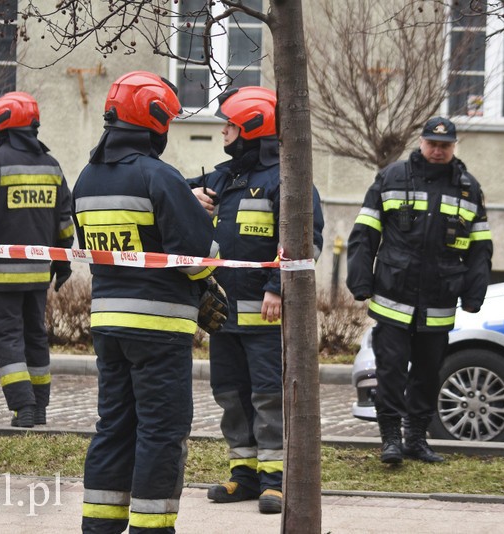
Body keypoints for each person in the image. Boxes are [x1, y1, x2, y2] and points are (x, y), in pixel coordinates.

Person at [73, 71, 218, 534]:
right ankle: (152, 528)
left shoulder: (87, 179)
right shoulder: (159, 175)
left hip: (108, 325)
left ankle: (100, 525)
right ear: (154, 121)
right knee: (161, 430)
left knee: (114, 427)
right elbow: (197, 259)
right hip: (159, 330)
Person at [188, 86, 325, 514]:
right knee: (230, 394)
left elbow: (305, 238)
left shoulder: (285, 180)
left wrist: (274, 287)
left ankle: (275, 479)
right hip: (224, 316)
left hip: (264, 315)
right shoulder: (224, 177)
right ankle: (243, 474)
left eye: (229, 125)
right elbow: (173, 187)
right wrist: (192, 198)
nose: (223, 132)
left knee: (268, 396)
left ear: (249, 128)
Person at [346, 116, 493, 465]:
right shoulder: (392, 177)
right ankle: (391, 440)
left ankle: (416, 439)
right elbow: (365, 232)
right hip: (393, 297)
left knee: (428, 374)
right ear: (422, 143)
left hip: (440, 300)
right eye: (432, 144)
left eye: (445, 145)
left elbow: (480, 247)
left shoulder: (468, 188)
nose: (438, 150)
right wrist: (360, 280)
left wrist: (475, 294)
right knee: (391, 372)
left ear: (454, 147)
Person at [0, 91, 74, 429]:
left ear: (3, 125)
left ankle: (23, 408)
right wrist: (63, 261)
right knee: (35, 336)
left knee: (7, 338)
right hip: (38, 275)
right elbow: (65, 219)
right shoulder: (52, 167)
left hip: (2, 277)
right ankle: (40, 407)